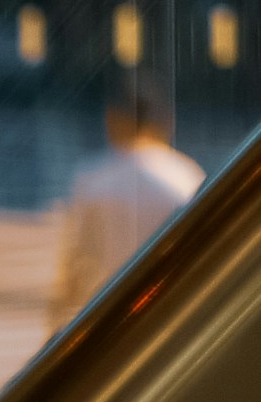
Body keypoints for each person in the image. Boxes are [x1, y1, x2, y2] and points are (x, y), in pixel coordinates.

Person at [47, 83, 201, 335]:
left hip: (106, 322)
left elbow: (72, 267)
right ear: (168, 122)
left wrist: (55, 325)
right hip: (170, 320)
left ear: (113, 119)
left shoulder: (91, 179)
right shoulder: (188, 179)